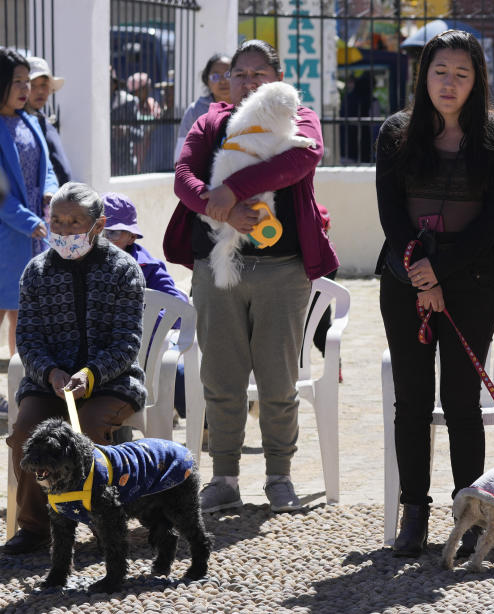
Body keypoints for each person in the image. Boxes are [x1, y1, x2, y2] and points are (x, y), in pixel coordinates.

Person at [165, 39, 338, 514]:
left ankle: (279, 475)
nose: (248, 82)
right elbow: (182, 174)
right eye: (240, 73)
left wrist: (233, 190)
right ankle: (224, 477)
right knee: (220, 378)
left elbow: (303, 158)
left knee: (279, 380)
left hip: (282, 271)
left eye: (259, 73)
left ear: (277, 78)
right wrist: (216, 205)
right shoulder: (211, 122)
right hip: (217, 269)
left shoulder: (295, 116)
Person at [376, 29, 494, 557]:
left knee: (461, 400)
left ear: (477, 79)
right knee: (411, 400)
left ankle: (473, 510)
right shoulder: (395, 133)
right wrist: (421, 272)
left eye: (462, 73)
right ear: (424, 76)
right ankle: (415, 510)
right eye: (440, 72)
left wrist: (441, 274)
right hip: (404, 277)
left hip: (474, 282)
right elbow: (391, 215)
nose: (450, 83)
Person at [2, 182, 146, 555]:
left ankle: (104, 523)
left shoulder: (124, 270)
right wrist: (51, 373)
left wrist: (91, 375)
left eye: (74, 222)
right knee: (26, 434)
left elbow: (127, 342)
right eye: (58, 221)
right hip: (48, 383)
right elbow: (28, 339)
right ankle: (35, 528)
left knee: (89, 431)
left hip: (112, 382)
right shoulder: (36, 272)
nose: (63, 230)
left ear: (98, 226)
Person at [102, 192, 189, 421]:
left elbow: (178, 308)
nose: (104, 239)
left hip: (147, 353)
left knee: (175, 375)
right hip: (101, 358)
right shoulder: (83, 265)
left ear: (131, 237)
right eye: (98, 230)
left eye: (113, 233)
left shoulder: (148, 267)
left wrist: (141, 319)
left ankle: (203, 419)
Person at [0, 47, 57, 359]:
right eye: (17, 81)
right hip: (8, 234)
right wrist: (27, 221)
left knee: (25, 314)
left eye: (27, 81)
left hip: (36, 231)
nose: (25, 89)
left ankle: (21, 384)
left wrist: (50, 191)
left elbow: (46, 169)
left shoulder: (31, 121)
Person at [174, 53, 231, 163]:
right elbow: (181, 158)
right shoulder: (195, 111)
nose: (223, 81)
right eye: (215, 76)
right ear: (207, 81)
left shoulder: (245, 107)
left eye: (228, 74)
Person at [24, 56, 71, 185]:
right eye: (33, 85)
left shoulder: (44, 120)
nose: (40, 91)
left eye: (44, 84)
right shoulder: (20, 126)